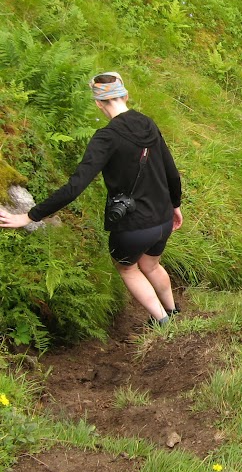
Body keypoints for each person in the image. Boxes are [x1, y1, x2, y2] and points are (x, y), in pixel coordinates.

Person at [0, 72, 183, 326]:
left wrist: (29, 216)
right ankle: (174, 312)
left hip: (133, 226)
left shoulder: (106, 137)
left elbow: (75, 187)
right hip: (163, 219)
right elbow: (171, 171)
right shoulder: (149, 123)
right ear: (125, 95)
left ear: (98, 103)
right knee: (151, 266)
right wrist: (175, 205)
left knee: (128, 268)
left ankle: (163, 321)